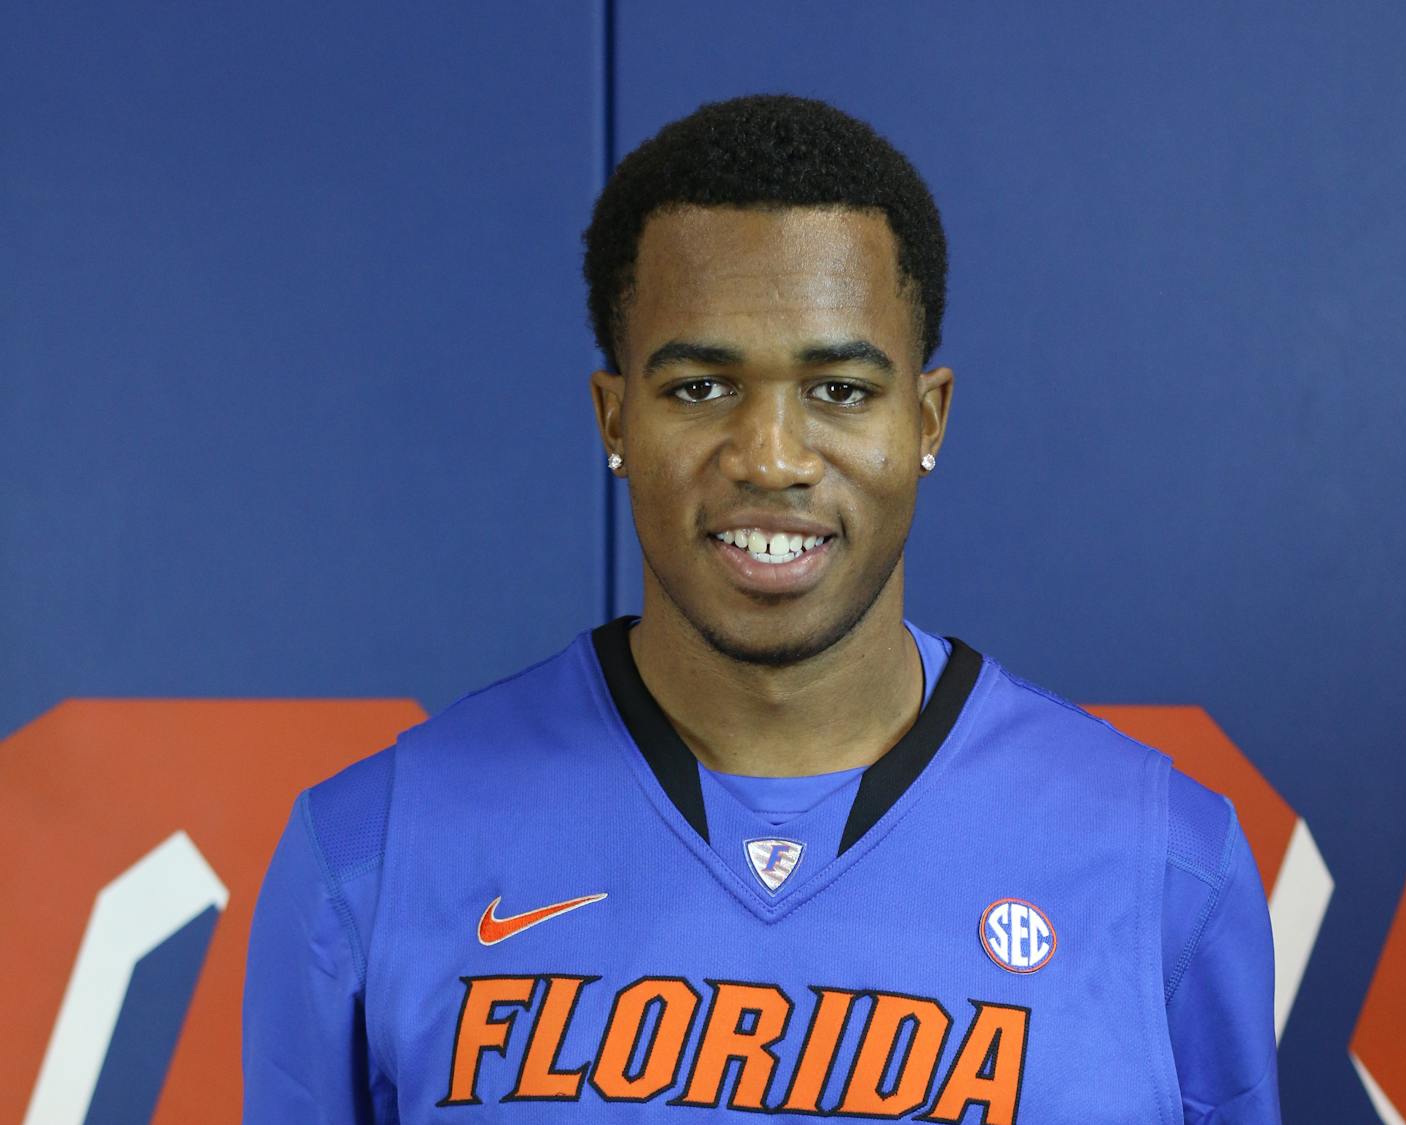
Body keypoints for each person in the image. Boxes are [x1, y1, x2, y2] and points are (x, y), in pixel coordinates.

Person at [243, 94, 1279, 1123]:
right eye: (701, 388)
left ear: (927, 420)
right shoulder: (374, 854)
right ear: (615, 420)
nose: (771, 459)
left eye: (840, 390)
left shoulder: (1163, 867)